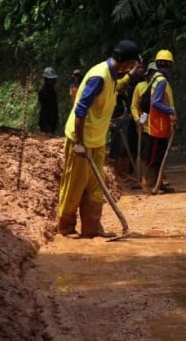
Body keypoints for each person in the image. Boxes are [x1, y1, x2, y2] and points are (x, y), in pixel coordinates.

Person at [56, 39, 141, 239]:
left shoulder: (112, 76)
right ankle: (66, 227)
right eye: (131, 64)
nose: (131, 67)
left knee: (95, 187)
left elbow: (117, 86)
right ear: (123, 61)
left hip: (97, 140)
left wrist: (129, 77)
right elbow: (80, 109)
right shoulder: (99, 76)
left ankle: (92, 228)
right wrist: (78, 142)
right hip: (82, 140)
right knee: (74, 185)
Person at [143, 49, 178, 193]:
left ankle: (159, 184)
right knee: (155, 156)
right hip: (159, 125)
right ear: (170, 65)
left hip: (158, 124)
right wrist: (171, 111)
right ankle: (152, 185)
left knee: (159, 154)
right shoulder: (161, 81)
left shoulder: (155, 78)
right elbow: (156, 102)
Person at [108, 63, 145, 184]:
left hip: (126, 117)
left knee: (128, 145)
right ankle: (117, 174)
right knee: (117, 146)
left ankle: (126, 173)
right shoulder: (113, 85)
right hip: (116, 117)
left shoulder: (134, 85)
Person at [131, 62, 159, 187]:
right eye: (151, 73)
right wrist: (137, 120)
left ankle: (157, 179)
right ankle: (142, 178)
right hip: (145, 126)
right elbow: (134, 105)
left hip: (159, 126)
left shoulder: (161, 86)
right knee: (143, 154)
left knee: (157, 153)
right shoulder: (140, 86)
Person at [38, 66, 59, 134]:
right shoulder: (43, 92)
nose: (53, 81)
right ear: (46, 80)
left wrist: (56, 120)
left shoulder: (53, 92)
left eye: (53, 79)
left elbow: (55, 108)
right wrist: (46, 125)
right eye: (51, 80)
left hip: (52, 123)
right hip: (46, 123)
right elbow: (45, 110)